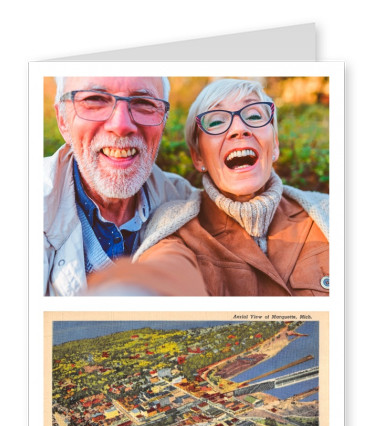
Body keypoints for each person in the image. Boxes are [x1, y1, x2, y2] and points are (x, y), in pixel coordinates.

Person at [87, 78, 329, 296]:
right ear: (198, 157)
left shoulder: (328, 213)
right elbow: (165, 271)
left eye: (254, 116)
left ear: (274, 144)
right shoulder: (177, 229)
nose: (239, 129)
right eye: (216, 121)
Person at [44, 76, 199, 296]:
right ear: (62, 120)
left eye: (144, 103)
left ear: (163, 121)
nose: (121, 126)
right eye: (95, 99)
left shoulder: (187, 204)